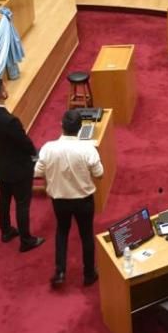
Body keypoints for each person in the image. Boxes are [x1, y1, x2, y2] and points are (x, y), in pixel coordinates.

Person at [35, 109, 104, 287]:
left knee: (62, 232)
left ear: (61, 126)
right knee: (86, 235)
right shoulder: (87, 149)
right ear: (81, 128)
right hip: (84, 201)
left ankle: (60, 272)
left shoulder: (48, 148)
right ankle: (89, 274)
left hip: (60, 201)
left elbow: (37, 172)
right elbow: (100, 173)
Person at [0, 79, 46, 252]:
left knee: (4, 198)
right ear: (2, 93)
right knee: (22, 204)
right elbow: (25, 143)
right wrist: (35, 156)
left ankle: (6, 230)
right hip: (18, 169)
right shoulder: (10, 121)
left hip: (0, 165)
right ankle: (26, 240)